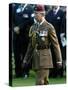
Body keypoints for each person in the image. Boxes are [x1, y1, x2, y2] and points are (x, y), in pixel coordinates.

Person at [23, 5, 62, 85]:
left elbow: (56, 45)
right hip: (36, 58)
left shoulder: (49, 27)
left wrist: (59, 60)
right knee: (44, 82)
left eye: (36, 13)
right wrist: (25, 59)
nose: (34, 15)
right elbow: (31, 45)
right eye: (34, 13)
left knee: (39, 82)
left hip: (45, 58)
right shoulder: (33, 27)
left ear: (42, 14)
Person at [46, 6, 65, 77]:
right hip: (50, 39)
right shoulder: (48, 14)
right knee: (51, 55)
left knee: (59, 56)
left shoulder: (62, 13)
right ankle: (52, 73)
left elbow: (63, 26)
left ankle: (60, 72)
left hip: (59, 39)